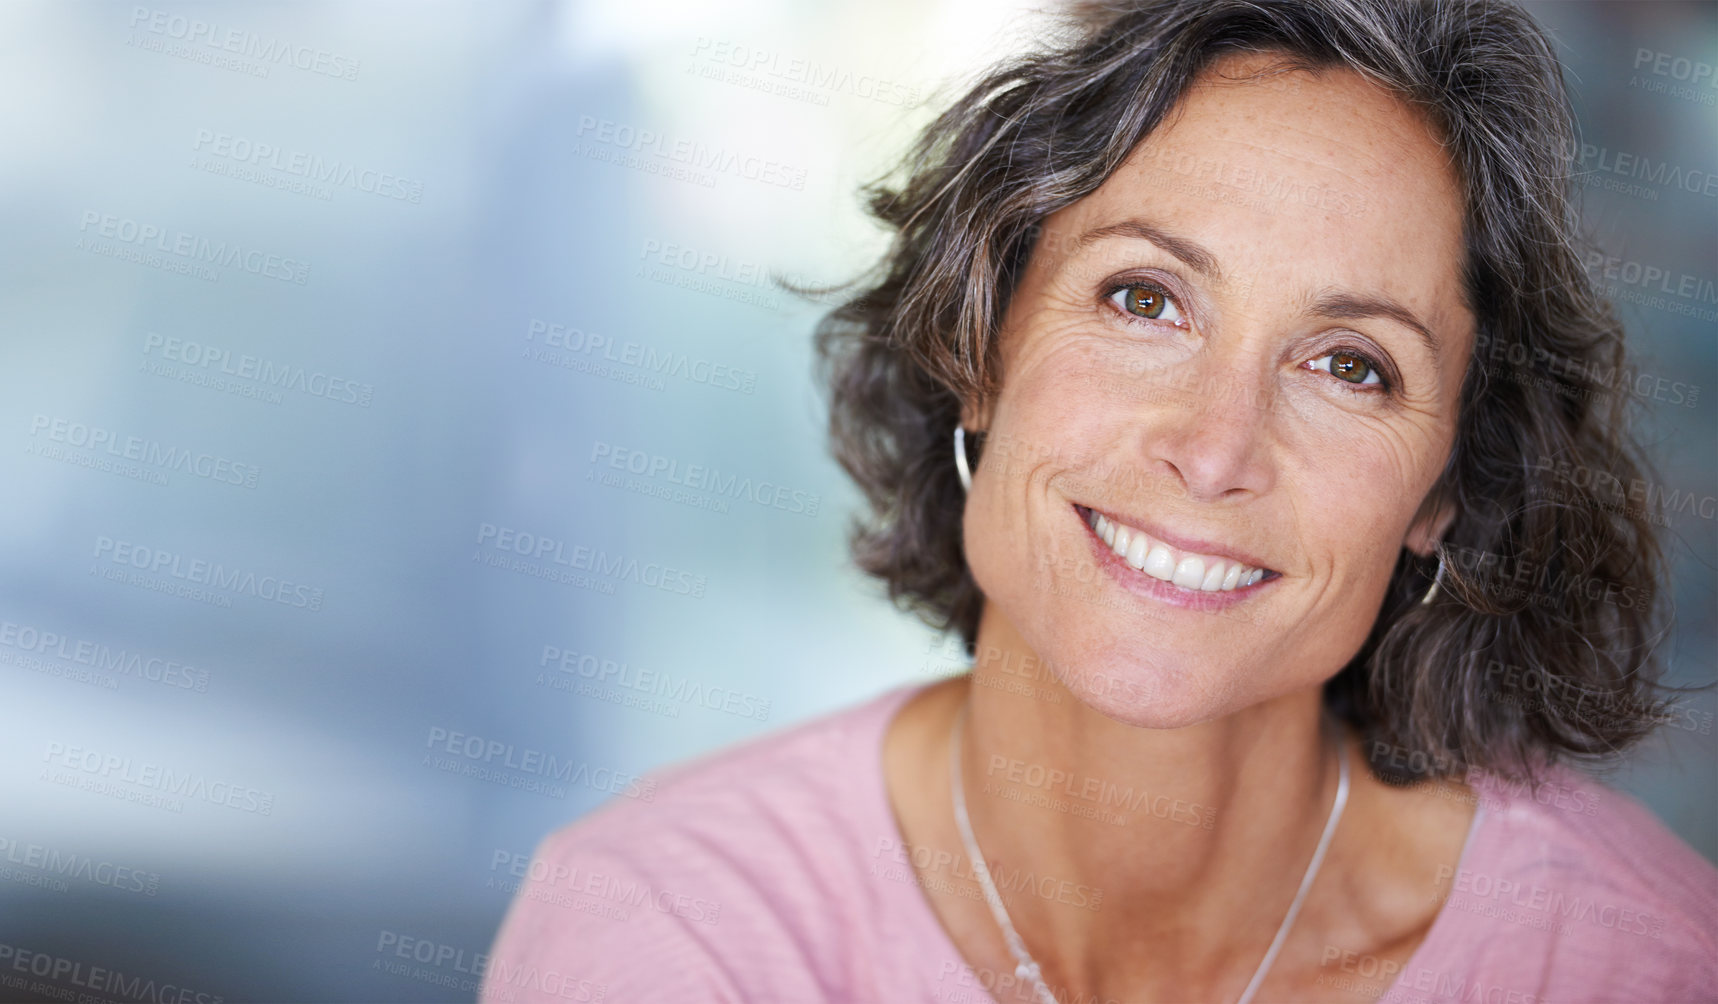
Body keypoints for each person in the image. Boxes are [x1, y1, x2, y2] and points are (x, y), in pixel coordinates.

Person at [482, 1, 1718, 1000]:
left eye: (1350, 364)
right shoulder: (668, 928)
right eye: (1144, 298)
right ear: (979, 345)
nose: (1213, 445)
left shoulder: (1642, 957)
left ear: (1441, 491)